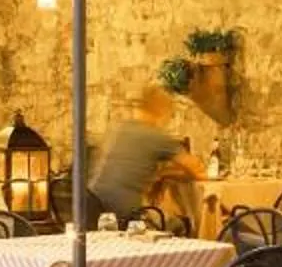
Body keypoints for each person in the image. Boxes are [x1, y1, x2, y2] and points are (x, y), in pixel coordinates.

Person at [86, 83, 201, 225]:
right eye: (170, 114)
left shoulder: (119, 129)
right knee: (178, 224)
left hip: (92, 206)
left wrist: (163, 174)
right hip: (124, 213)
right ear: (161, 110)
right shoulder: (155, 136)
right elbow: (196, 169)